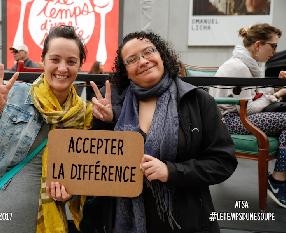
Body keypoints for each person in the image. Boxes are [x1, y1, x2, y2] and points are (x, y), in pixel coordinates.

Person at [86, 31, 238, 233]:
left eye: (149, 51)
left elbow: (222, 162)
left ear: (162, 56)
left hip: (183, 221)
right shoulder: (114, 106)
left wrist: (171, 171)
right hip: (122, 221)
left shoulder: (198, 101)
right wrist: (105, 123)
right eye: (132, 59)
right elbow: (95, 166)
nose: (143, 61)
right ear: (126, 71)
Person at [0, 25, 93, 233]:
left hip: (47, 223)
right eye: (55, 59)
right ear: (43, 60)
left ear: (80, 64)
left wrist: (70, 191)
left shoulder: (84, 114)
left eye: (71, 61)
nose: (62, 68)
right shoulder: (14, 95)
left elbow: (83, 172)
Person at [209, 23, 286, 208]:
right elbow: (249, 108)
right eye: (273, 46)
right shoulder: (239, 67)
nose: (275, 52)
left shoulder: (250, 64)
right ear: (258, 45)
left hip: (236, 116)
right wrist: (277, 95)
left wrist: (276, 88)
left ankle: (279, 178)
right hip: (227, 122)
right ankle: (277, 180)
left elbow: (255, 94)